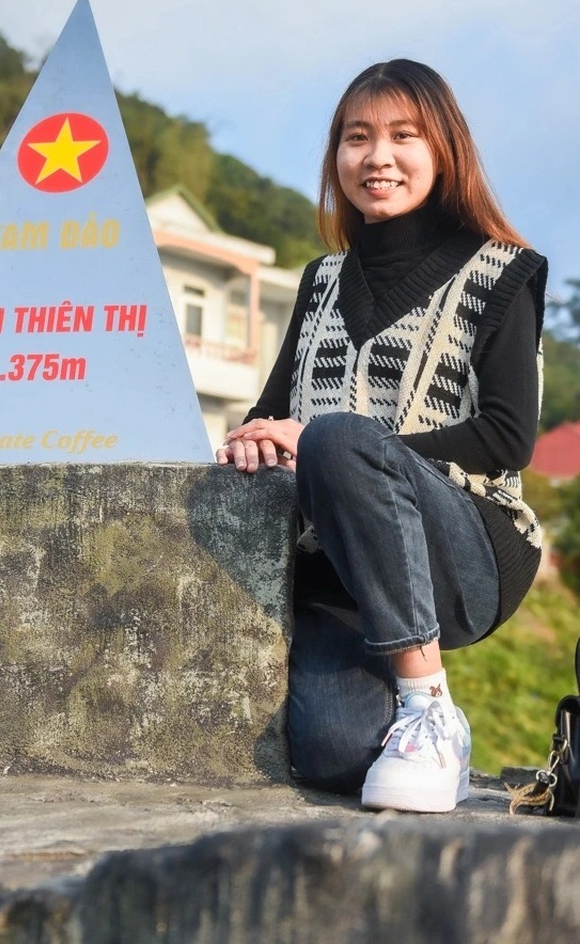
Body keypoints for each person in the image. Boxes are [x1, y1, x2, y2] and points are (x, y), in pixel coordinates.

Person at [216, 59, 547, 813]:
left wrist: (345, 445)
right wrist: (252, 440)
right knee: (336, 758)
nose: (378, 156)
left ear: (444, 150)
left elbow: (505, 437)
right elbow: (271, 412)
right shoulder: (321, 281)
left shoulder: (502, 271)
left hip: (464, 547)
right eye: (357, 137)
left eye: (404, 135)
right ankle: (410, 724)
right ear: (337, 156)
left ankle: (431, 705)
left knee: (336, 437)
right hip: (342, 565)